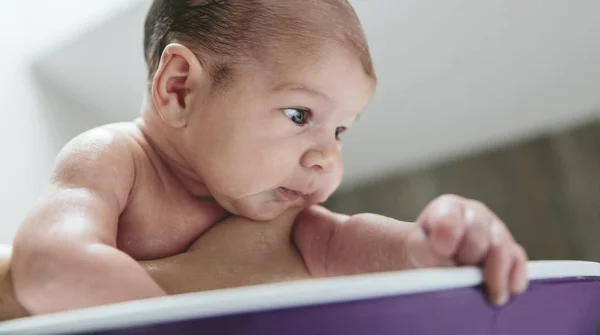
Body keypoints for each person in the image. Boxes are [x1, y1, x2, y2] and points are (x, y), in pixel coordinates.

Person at [10, 0, 528, 317]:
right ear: (181, 88)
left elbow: (348, 244)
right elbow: (50, 265)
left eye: (342, 129)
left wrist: (433, 244)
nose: (327, 156)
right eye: (301, 114)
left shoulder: (272, 207)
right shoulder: (115, 158)